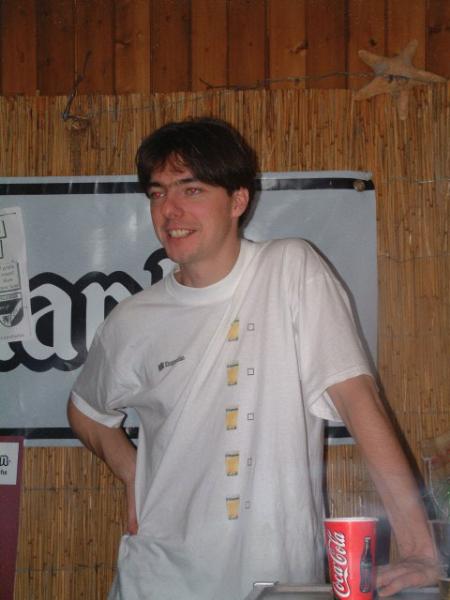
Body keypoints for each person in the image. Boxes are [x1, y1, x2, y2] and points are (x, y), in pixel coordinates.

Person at [68, 117, 439, 600]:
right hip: (155, 580)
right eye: (157, 193)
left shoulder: (290, 268)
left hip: (276, 581)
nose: (170, 210)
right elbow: (85, 411)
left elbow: (356, 398)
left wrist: (418, 549)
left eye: (191, 189)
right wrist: (133, 473)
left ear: (238, 200)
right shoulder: (132, 319)